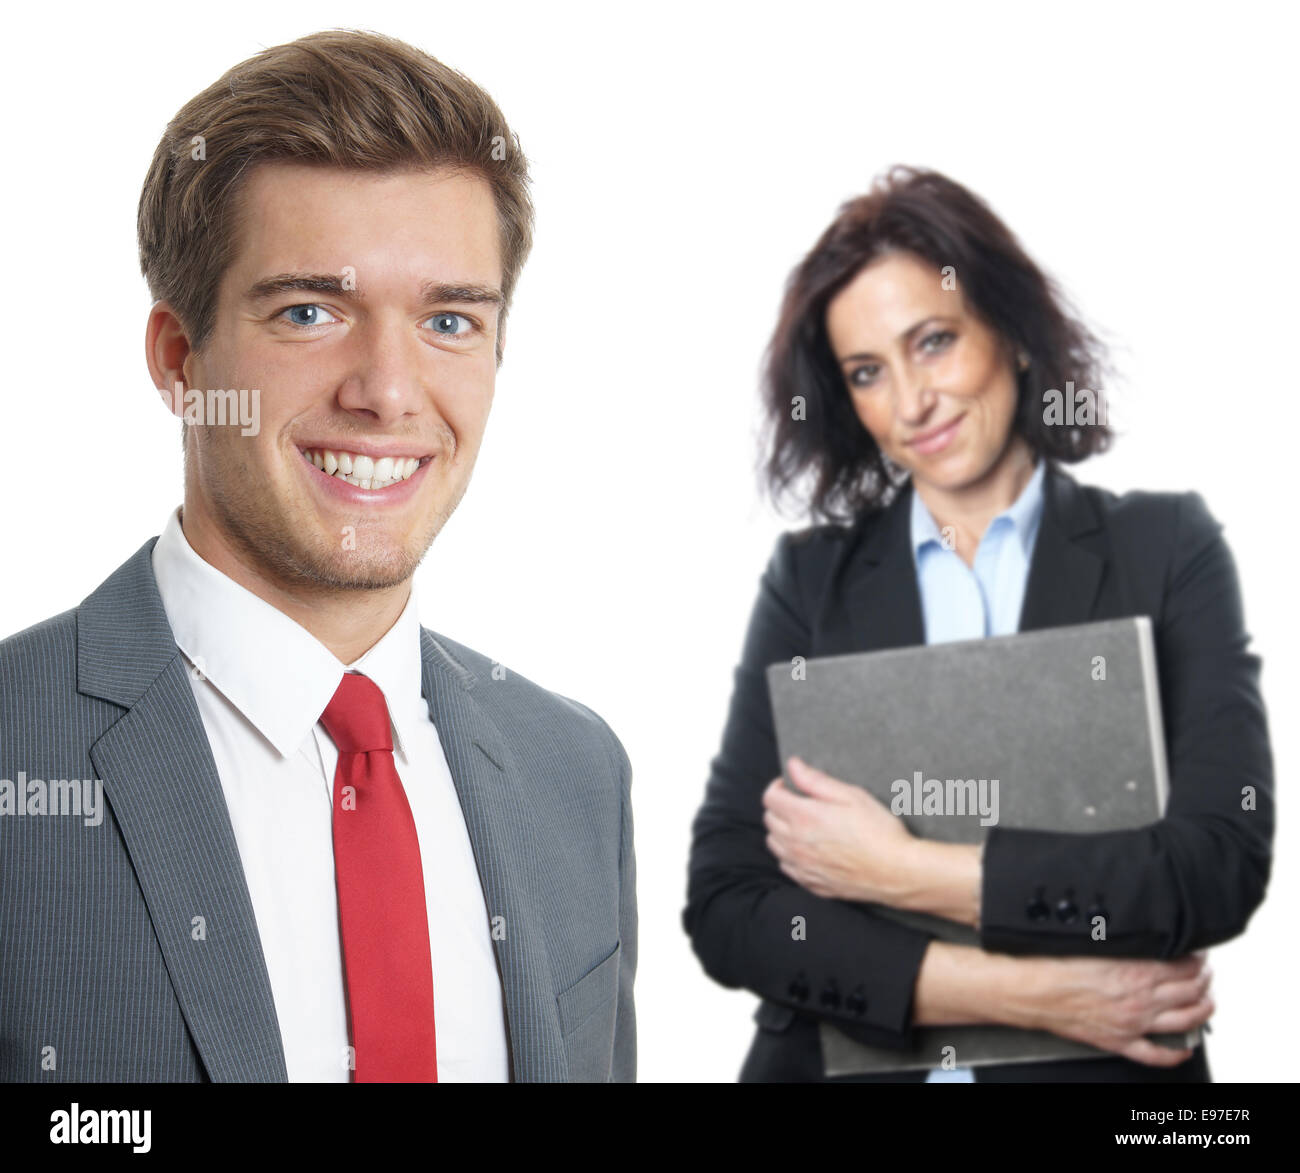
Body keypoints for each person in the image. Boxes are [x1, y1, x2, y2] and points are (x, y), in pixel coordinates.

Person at [0, 30, 635, 1084]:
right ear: (179, 358)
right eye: (309, 311)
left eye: (446, 319)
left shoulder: (575, 771)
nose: (387, 390)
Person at [683, 166, 1272, 1083]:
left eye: (935, 342)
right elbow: (729, 907)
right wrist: (1035, 994)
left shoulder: (1165, 550)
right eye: (868, 373)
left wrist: (901, 870)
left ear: (1011, 331)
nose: (913, 402)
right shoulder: (812, 581)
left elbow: (1212, 867)